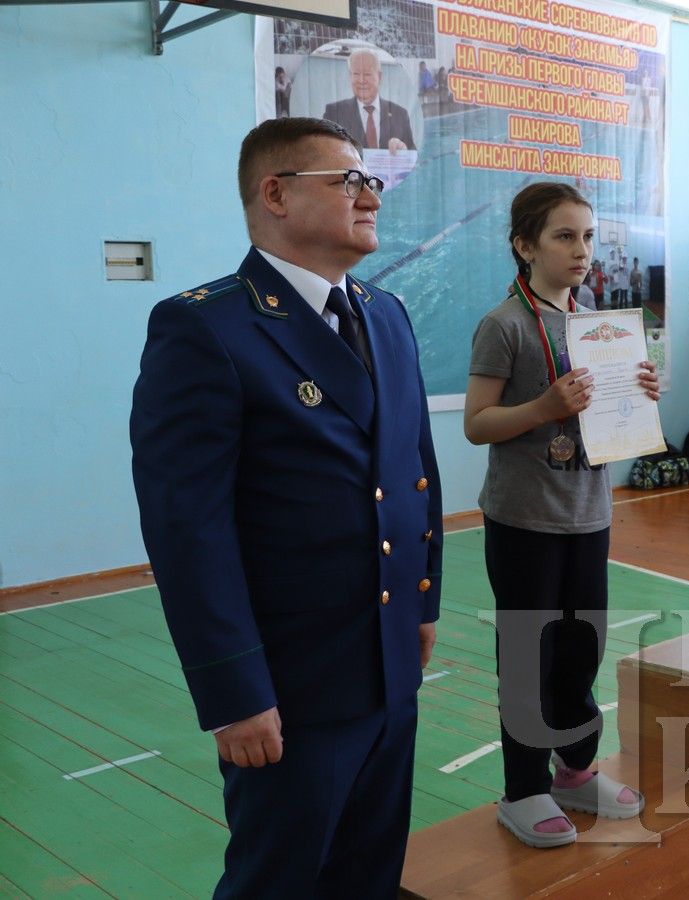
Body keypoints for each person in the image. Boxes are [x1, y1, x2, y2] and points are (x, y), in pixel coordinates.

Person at [129, 117, 442, 896]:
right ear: (275, 194)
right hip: (293, 682)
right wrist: (235, 693)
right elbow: (187, 530)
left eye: (370, 180)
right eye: (348, 180)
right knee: (279, 877)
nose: (370, 195)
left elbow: (413, 469)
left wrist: (422, 602)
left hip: (387, 660)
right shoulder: (207, 327)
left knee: (368, 870)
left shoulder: (387, 314)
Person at [464, 182, 656, 848]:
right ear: (524, 246)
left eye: (588, 237)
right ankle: (522, 790)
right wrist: (543, 408)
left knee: (580, 653)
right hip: (523, 521)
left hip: (588, 514)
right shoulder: (505, 324)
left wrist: (639, 391)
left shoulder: (594, 320)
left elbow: (607, 413)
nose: (580, 250)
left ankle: (574, 772)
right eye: (563, 236)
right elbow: (477, 424)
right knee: (528, 657)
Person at [323, 49, 417, 152]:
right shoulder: (334, 112)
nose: (361, 80)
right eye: (356, 74)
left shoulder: (400, 114)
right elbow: (323, 152)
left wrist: (404, 150)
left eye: (367, 74)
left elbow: (412, 153)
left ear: (379, 77)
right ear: (350, 76)